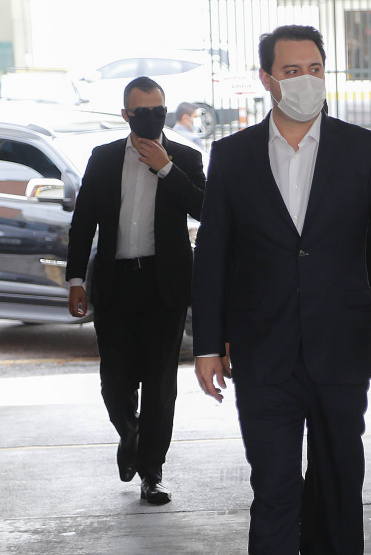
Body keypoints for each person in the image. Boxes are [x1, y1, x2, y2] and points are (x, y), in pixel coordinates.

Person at [192, 25, 371, 554]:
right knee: (272, 489)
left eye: (315, 70)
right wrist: (207, 344)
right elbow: (212, 258)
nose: (305, 81)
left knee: (338, 486)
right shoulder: (232, 156)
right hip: (261, 353)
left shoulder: (362, 149)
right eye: (292, 71)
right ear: (267, 79)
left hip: (341, 348)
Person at [65, 76, 206, 505]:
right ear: (126, 114)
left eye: (158, 110)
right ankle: (131, 433)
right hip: (115, 282)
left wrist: (165, 167)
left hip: (164, 284)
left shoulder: (185, 156)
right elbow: (84, 220)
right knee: (115, 381)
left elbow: (205, 209)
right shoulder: (104, 158)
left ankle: (152, 472)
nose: (151, 117)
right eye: (142, 111)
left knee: (161, 384)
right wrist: (75, 280)